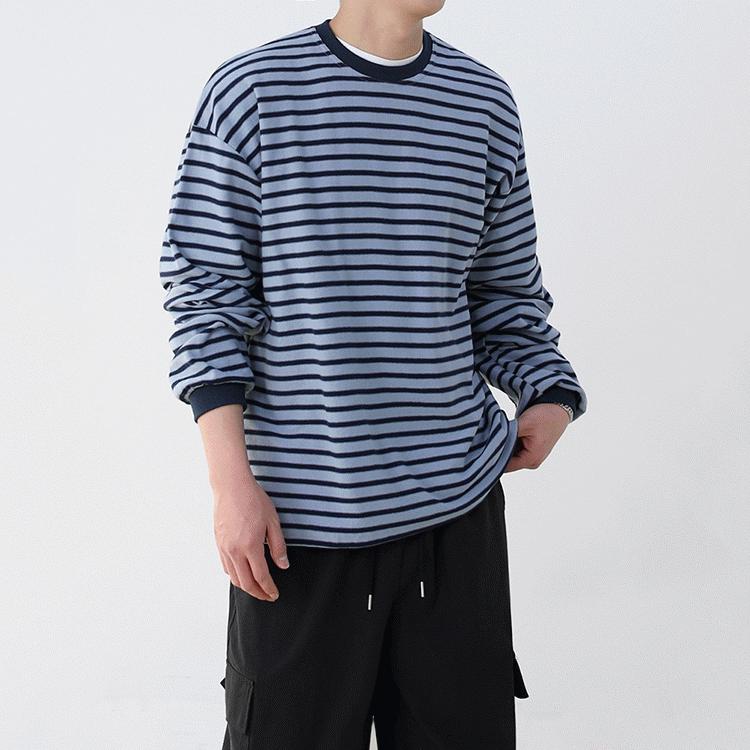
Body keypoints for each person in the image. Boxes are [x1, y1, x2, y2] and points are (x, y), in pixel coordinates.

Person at [159, 1, 588, 747]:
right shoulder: (252, 93)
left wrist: (548, 393)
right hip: (299, 529)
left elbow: (504, 292)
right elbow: (206, 300)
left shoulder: (482, 101)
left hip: (456, 522)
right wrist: (230, 485)